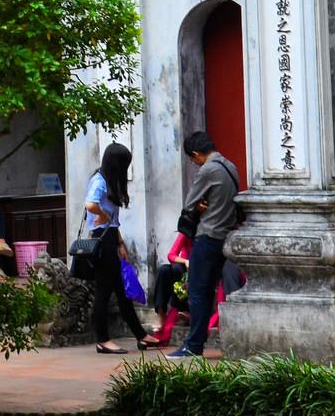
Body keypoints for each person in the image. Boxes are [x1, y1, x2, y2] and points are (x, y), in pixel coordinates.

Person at [169, 130, 241, 359]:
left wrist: (200, 205)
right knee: (209, 291)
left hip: (207, 236)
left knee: (198, 291)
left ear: (197, 153)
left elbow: (189, 203)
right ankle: (196, 343)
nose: (194, 163)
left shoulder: (208, 170)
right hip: (224, 237)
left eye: (193, 159)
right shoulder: (231, 166)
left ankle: (193, 346)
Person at [84, 141, 154, 355]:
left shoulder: (108, 181)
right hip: (102, 241)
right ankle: (103, 340)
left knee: (122, 292)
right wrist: (103, 216)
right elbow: (90, 205)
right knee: (104, 292)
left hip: (110, 238)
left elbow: (112, 220)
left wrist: (120, 242)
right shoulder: (99, 181)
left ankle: (140, 335)